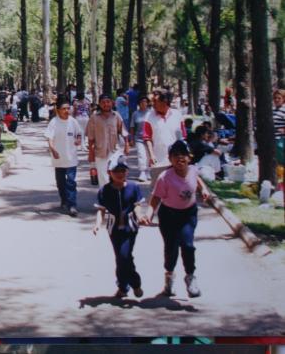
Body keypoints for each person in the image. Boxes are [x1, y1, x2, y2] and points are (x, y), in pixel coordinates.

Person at [148, 140, 211, 298]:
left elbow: (197, 179)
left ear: (189, 157)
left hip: (188, 214)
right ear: (170, 159)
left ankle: (190, 277)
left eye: (183, 155)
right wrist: (149, 214)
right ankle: (169, 278)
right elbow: (155, 198)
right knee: (171, 248)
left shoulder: (193, 170)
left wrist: (203, 189)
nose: (179, 158)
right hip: (169, 215)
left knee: (188, 245)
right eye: (175, 155)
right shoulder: (165, 177)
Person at [93, 154, 146, 298]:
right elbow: (101, 210)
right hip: (113, 228)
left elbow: (137, 206)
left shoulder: (133, 187)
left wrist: (140, 216)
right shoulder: (104, 190)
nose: (121, 174)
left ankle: (129, 285)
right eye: (117, 171)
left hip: (131, 227)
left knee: (125, 255)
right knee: (121, 256)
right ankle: (126, 285)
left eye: (123, 171)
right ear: (110, 172)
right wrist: (98, 224)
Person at [44, 99, 83, 216]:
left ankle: (72, 205)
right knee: (61, 183)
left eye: (68, 108)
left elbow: (79, 133)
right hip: (58, 159)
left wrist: (78, 139)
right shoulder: (54, 122)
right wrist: (52, 149)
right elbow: (49, 138)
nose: (66, 111)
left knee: (71, 182)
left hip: (71, 158)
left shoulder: (73, 121)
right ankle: (64, 200)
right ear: (58, 110)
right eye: (64, 109)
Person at [143, 89, 186, 186]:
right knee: (158, 188)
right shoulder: (149, 116)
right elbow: (147, 138)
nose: (152, 104)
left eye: (155, 101)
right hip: (158, 160)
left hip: (176, 160)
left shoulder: (177, 115)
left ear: (165, 101)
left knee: (176, 188)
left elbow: (182, 137)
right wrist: (151, 155)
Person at [87, 94, 130, 187]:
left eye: (108, 102)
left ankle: (117, 198)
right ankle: (105, 199)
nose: (106, 104)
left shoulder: (116, 116)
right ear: (99, 104)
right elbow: (91, 138)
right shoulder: (94, 118)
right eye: (103, 102)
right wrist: (91, 154)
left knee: (117, 176)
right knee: (103, 178)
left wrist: (127, 145)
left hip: (115, 152)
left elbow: (123, 131)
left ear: (112, 103)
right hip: (100, 152)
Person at [130, 96, 151, 182]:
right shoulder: (135, 114)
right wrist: (131, 138)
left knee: (149, 156)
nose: (144, 103)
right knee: (141, 155)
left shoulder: (151, 113)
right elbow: (132, 127)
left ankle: (148, 171)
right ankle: (142, 172)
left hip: (149, 139)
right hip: (139, 138)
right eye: (142, 102)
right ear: (139, 103)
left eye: (145, 102)